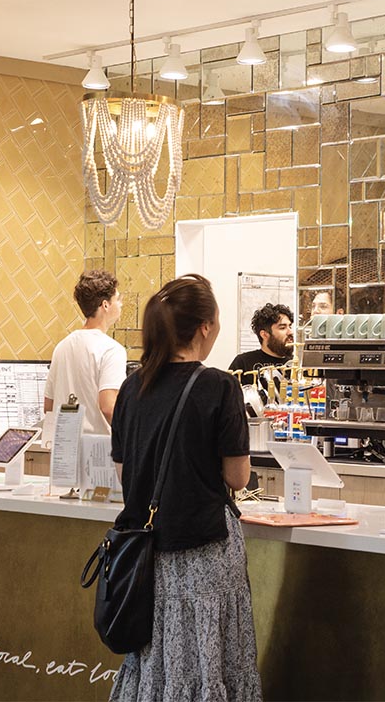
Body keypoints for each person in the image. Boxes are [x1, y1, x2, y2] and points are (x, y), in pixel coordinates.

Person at [109, 274, 262, 702]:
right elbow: (238, 478)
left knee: (156, 661)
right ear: (205, 327)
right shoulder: (218, 385)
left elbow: (124, 472)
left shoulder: (131, 387)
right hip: (205, 550)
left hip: (146, 556)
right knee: (210, 661)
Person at [43, 270, 126, 434]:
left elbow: (48, 406)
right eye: (118, 299)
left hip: (63, 445)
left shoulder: (61, 347)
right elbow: (108, 407)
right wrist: (131, 436)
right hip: (98, 446)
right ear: (105, 305)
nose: (121, 304)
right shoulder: (111, 350)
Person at [229, 302, 294, 376]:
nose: (290, 332)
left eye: (290, 326)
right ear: (264, 335)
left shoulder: (297, 364)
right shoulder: (243, 363)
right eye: (282, 328)